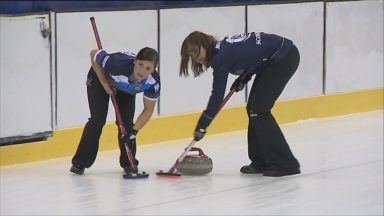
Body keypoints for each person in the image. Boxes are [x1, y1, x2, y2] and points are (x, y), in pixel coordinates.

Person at [179, 31, 300, 177]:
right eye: (191, 55)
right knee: (253, 109)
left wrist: (203, 123)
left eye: (195, 51)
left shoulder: (220, 58)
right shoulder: (222, 50)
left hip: (284, 56)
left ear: (204, 43)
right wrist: (245, 77)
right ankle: (260, 161)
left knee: (259, 111)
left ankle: (286, 164)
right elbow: (252, 55)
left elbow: (217, 96)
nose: (196, 58)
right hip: (273, 58)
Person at [70, 47, 160, 175]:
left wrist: (134, 132)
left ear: (153, 70)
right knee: (98, 119)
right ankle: (80, 162)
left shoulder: (153, 83)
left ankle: (129, 162)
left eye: (148, 68)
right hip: (101, 78)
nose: (142, 71)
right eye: (140, 64)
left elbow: (148, 110)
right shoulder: (117, 64)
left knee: (126, 125)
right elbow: (94, 54)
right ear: (135, 61)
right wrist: (104, 83)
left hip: (126, 89)